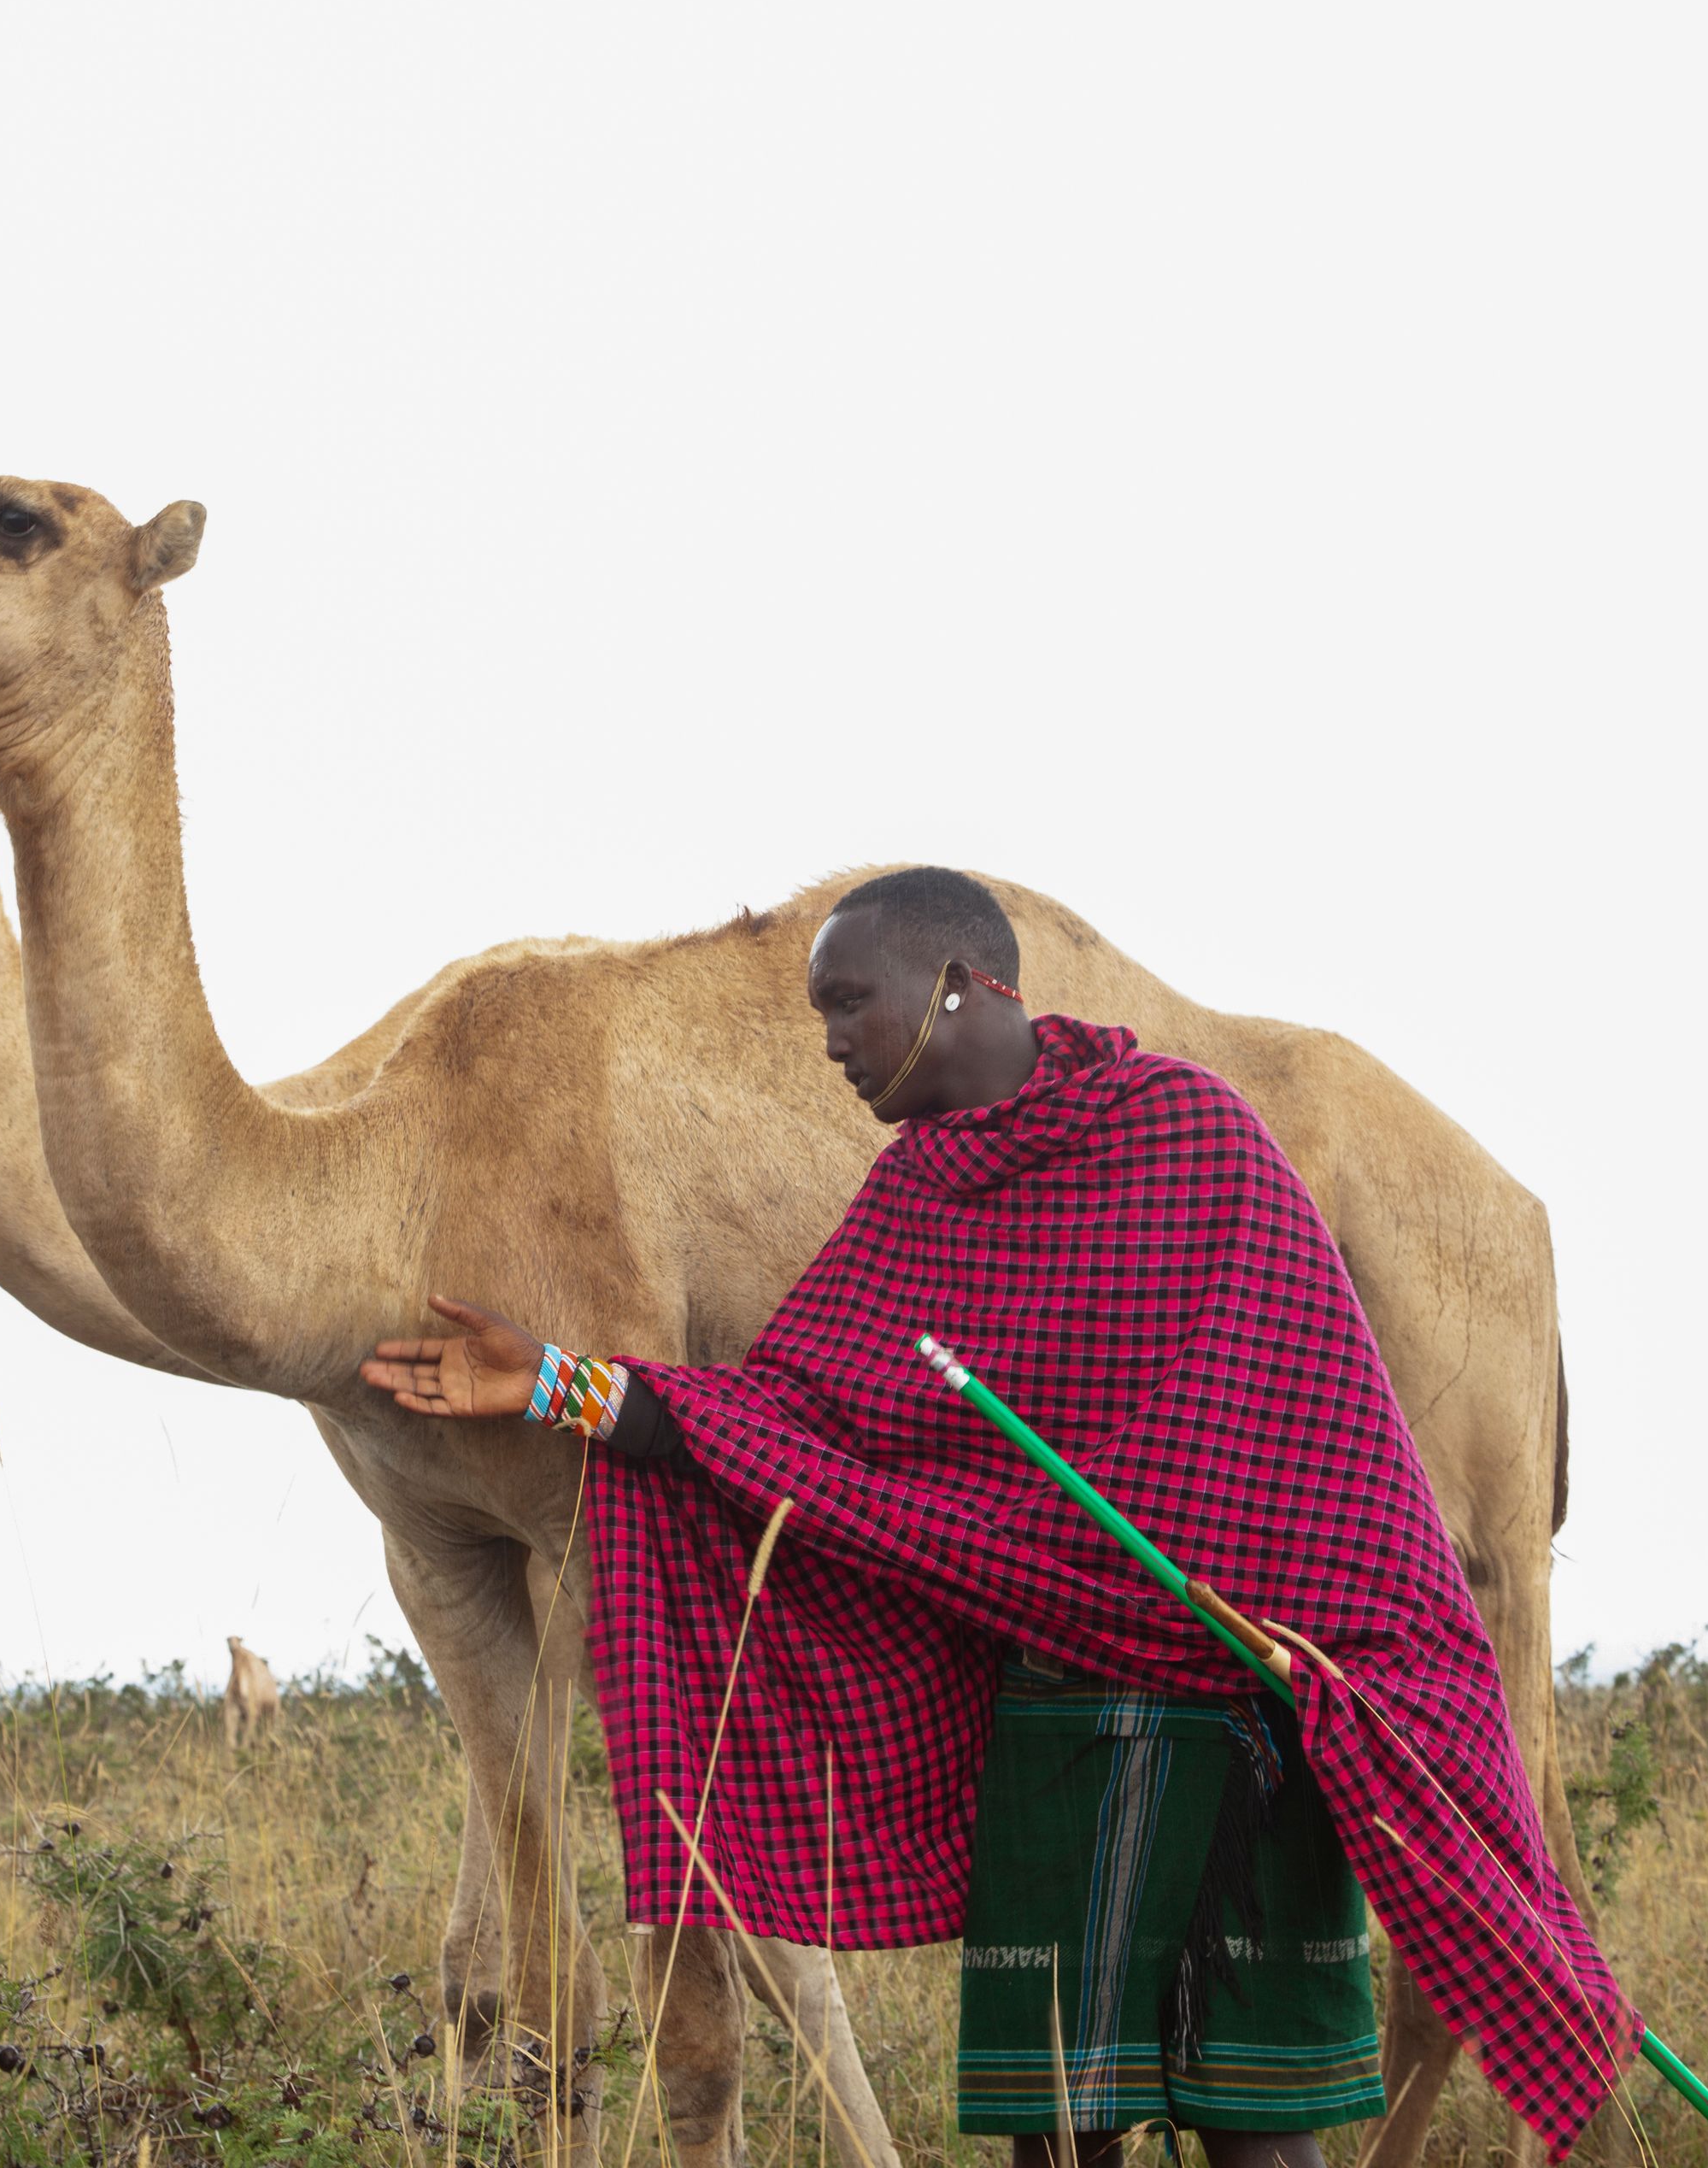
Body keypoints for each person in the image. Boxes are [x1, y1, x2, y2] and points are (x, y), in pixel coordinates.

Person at [361, 868, 1631, 2166]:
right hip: (1063, 1728)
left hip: (1245, 1711)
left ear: (961, 987)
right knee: (1055, 2136)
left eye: (850, 1004)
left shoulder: (1193, 1136)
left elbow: (1326, 1443)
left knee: (1260, 2136)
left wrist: (1244, 1598)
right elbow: (800, 1421)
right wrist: (568, 1384)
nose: (832, 1045)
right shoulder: (913, 1203)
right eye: (822, 1014)